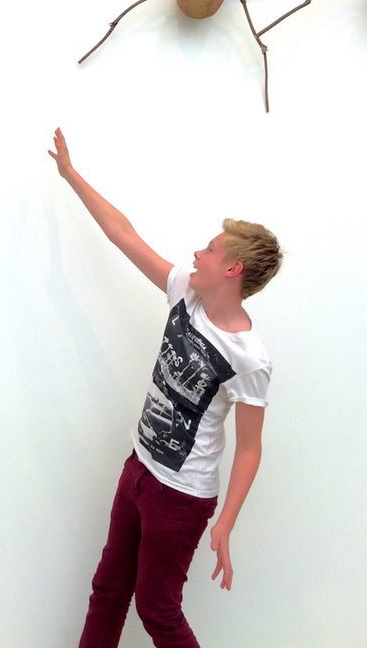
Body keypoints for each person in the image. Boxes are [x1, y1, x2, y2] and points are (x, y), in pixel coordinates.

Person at [47, 128, 282, 648]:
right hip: (138, 468)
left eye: (211, 249)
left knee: (158, 610)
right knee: (108, 589)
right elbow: (124, 235)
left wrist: (225, 522)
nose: (197, 253)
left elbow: (249, 448)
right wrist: (71, 174)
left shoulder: (249, 357)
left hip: (181, 497)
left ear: (232, 269)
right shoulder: (185, 293)